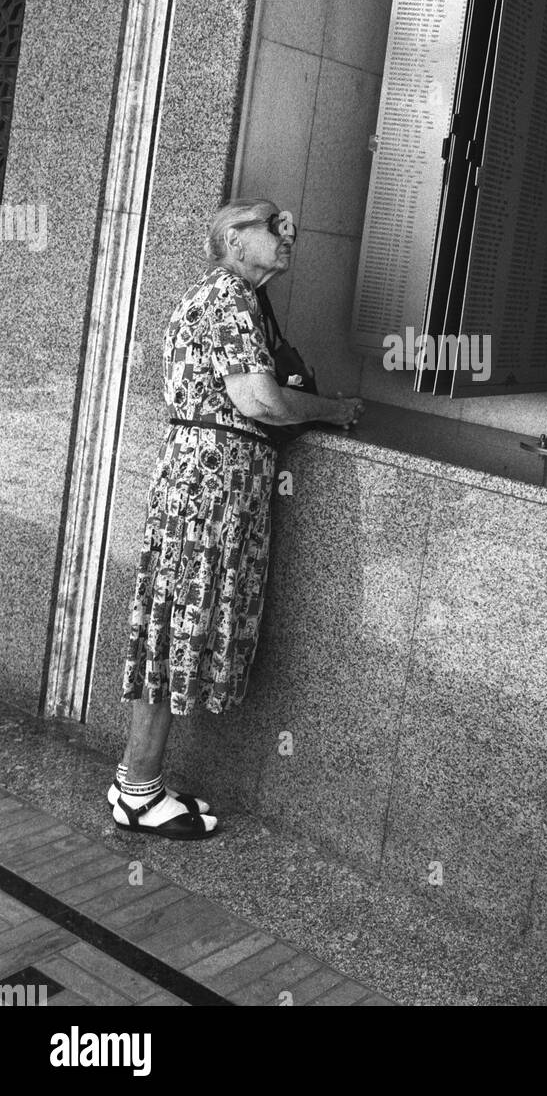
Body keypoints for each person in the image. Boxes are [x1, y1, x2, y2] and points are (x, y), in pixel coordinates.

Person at [110, 199, 363, 839]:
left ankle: (137, 784)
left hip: (206, 483)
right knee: (177, 627)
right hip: (209, 488)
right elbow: (260, 401)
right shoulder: (228, 296)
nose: (287, 233)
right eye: (271, 222)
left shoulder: (238, 300)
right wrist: (334, 410)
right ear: (232, 237)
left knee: (174, 624)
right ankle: (138, 790)